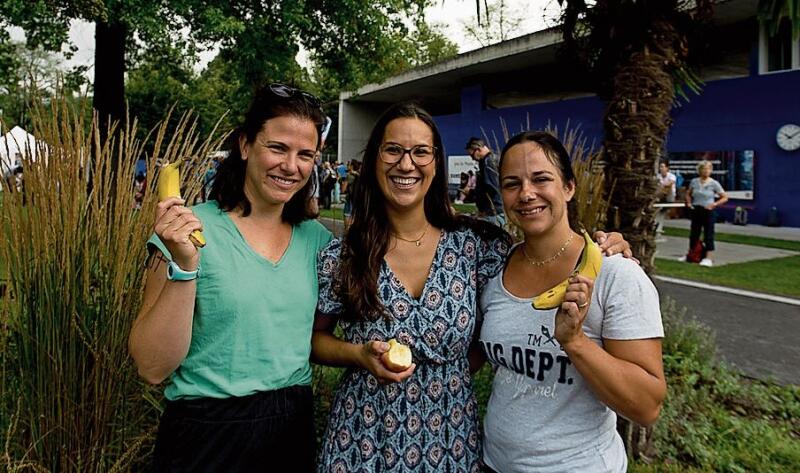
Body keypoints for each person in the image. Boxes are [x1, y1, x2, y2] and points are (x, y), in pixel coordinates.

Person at [311, 103, 631, 472]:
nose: (406, 164)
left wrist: (605, 250)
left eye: (420, 152)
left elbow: (534, 270)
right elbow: (316, 340)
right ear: (374, 159)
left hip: (450, 436)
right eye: (393, 149)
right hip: (362, 439)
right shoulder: (345, 255)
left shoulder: (476, 246)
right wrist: (356, 355)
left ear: (436, 162)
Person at [128, 83, 331, 472]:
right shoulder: (187, 229)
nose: (291, 166)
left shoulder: (318, 241)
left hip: (291, 430)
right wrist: (185, 265)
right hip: (206, 436)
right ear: (244, 145)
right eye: (277, 148)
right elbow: (152, 366)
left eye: (305, 154)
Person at [479, 131, 666, 473]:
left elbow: (646, 405)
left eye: (541, 179)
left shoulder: (614, 276)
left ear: (568, 187)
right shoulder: (495, 270)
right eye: (511, 183)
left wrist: (575, 342)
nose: (526, 194)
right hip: (494, 463)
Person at [681, 160, 728, 267]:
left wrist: (714, 204)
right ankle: (691, 254)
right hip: (697, 209)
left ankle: (708, 258)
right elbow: (688, 193)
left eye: (708, 169)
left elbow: (725, 197)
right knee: (694, 233)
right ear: (699, 170)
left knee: (708, 234)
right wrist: (689, 202)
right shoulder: (694, 181)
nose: (706, 171)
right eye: (704, 169)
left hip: (708, 210)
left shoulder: (714, 183)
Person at [465, 137, 505, 227]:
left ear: (478, 149)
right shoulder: (488, 161)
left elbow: (492, 188)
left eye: (472, 155)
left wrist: (474, 194)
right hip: (494, 209)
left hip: (494, 210)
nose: (472, 159)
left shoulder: (489, 162)